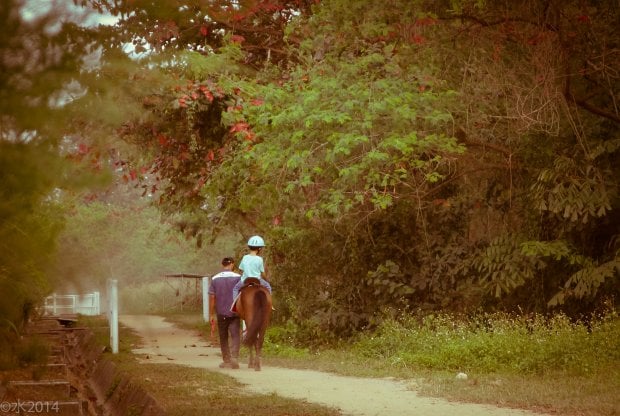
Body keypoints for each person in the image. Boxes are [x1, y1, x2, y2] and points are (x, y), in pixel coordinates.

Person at [208, 257, 241, 369]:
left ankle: (226, 360)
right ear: (231, 264)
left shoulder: (215, 278)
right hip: (234, 312)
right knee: (235, 335)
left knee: (223, 336)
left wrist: (211, 313)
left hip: (221, 312)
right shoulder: (238, 277)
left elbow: (212, 297)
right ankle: (235, 357)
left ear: (222, 265)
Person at [231, 235, 272, 308]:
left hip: (245, 280)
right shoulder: (259, 259)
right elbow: (262, 273)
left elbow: (241, 269)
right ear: (259, 248)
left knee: (235, 289)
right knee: (268, 287)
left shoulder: (245, 257)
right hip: (257, 280)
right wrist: (266, 280)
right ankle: (270, 305)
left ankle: (235, 305)